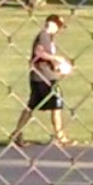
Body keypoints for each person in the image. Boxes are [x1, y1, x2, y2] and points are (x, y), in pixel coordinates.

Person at [12, 14, 73, 147]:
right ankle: (60, 136)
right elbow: (39, 52)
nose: (59, 30)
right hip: (45, 78)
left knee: (31, 106)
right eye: (58, 26)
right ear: (51, 23)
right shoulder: (44, 36)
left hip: (40, 76)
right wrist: (57, 59)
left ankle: (17, 133)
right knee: (56, 106)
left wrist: (56, 67)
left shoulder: (47, 38)